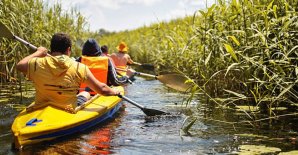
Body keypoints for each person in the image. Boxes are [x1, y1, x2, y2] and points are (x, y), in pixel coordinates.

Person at [16, 33, 120, 113]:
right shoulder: (79, 67)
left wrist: (38, 53)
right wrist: (114, 92)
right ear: (68, 50)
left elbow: (20, 65)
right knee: (86, 92)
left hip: (41, 107)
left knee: (84, 92)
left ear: (51, 48)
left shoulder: (37, 63)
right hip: (67, 110)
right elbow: (102, 89)